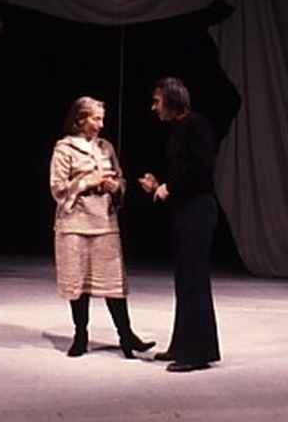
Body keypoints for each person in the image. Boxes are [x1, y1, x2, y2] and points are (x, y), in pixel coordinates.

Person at [50, 96, 155, 359]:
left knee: (113, 282)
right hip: (75, 223)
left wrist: (115, 186)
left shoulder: (106, 147)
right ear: (80, 119)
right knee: (79, 282)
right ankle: (80, 335)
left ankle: (126, 335)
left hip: (104, 222)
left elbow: (120, 179)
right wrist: (88, 182)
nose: (101, 124)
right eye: (96, 119)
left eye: (102, 119)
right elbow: (58, 189)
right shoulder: (64, 149)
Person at [138, 77, 221, 372]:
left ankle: (196, 354)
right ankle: (182, 345)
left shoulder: (196, 125)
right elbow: (183, 173)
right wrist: (159, 185)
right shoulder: (179, 129)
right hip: (187, 210)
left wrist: (169, 187)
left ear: (172, 101)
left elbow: (200, 170)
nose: (153, 107)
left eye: (157, 101)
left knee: (193, 280)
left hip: (199, 210)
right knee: (184, 280)